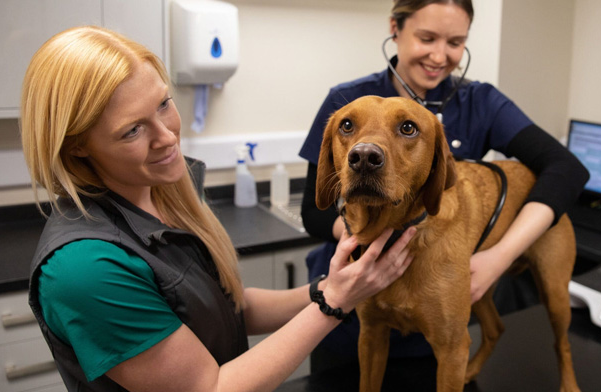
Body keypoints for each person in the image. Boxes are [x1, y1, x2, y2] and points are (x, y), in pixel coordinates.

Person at [21, 25, 416, 392]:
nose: (167, 137)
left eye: (163, 104)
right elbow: (208, 387)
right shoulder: (84, 267)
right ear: (76, 145)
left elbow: (228, 307)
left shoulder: (167, 192)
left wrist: (332, 286)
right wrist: (335, 303)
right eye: (132, 130)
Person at [299, 0, 590, 371]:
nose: (440, 55)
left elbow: (567, 168)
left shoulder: (480, 101)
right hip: (344, 308)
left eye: (455, 42)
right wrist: (368, 242)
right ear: (395, 29)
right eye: (427, 37)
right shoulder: (346, 103)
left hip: (438, 319)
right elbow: (314, 210)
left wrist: (497, 259)